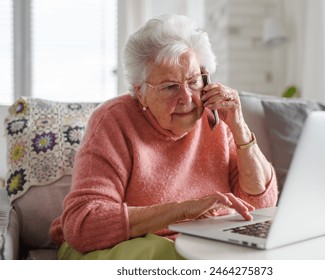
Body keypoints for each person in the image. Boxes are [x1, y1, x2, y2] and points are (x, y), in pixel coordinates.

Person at [49, 14, 278, 260]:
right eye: (170, 87)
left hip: (201, 245)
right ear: (141, 92)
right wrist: (182, 210)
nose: (187, 98)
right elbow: (84, 225)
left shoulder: (217, 118)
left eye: (193, 82)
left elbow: (261, 206)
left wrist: (240, 128)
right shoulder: (113, 121)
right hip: (118, 246)